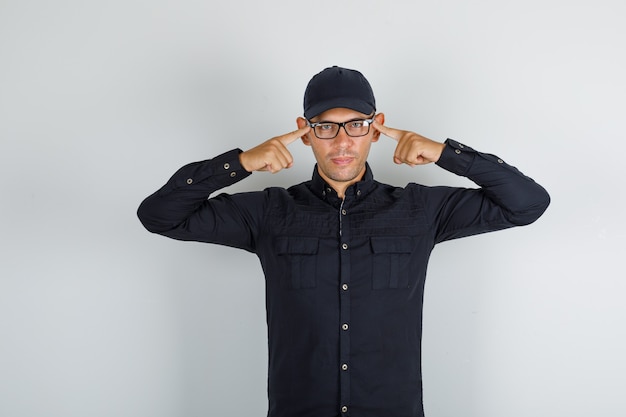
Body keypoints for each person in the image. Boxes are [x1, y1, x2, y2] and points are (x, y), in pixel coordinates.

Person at [137, 66, 550, 417]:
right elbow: (159, 216)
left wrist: (446, 153)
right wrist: (240, 162)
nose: (341, 141)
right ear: (305, 132)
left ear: (375, 128)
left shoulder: (420, 209)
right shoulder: (268, 211)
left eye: (356, 124)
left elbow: (527, 204)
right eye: (326, 127)